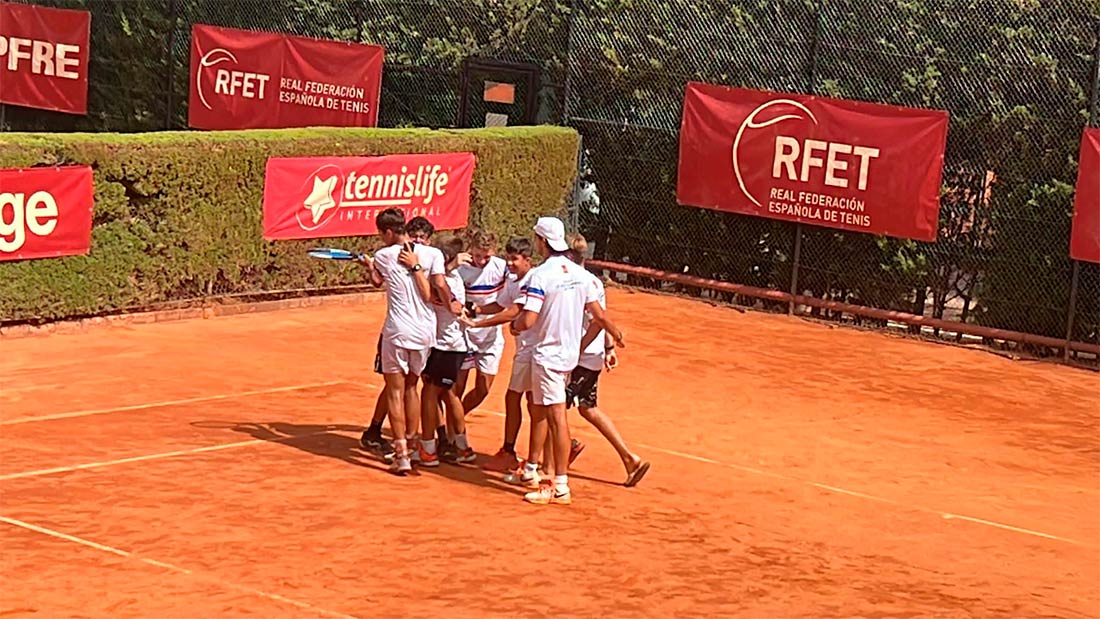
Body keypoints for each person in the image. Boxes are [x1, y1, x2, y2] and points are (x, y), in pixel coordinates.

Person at [510, 216, 625, 505]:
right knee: (552, 416)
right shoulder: (582, 275)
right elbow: (598, 315)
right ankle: (543, 474)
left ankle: (557, 484)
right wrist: (615, 334)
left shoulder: (540, 275)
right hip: (569, 357)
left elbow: (529, 318)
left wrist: (516, 326)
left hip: (548, 356)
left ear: (542, 242)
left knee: (556, 418)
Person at [364, 209, 452, 475]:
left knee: (394, 391)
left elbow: (383, 282)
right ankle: (413, 446)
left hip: (398, 332)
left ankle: (402, 454)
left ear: (389, 232)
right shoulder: (434, 254)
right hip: (425, 333)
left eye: (382, 234)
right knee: (412, 388)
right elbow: (438, 286)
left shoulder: (383, 255)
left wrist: (376, 267)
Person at [566, 233, 650, 487]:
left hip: (579, 359)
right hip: (591, 357)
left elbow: (597, 321)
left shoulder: (577, 282)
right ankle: (629, 459)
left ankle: (558, 455)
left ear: (569, 255)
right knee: (587, 408)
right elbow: (603, 319)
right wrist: (609, 347)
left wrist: (576, 351)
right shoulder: (594, 282)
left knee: (551, 407)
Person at [460, 236, 537, 473]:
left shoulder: (528, 278)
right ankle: (453, 430)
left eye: (515, 259)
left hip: (526, 347)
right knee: (520, 400)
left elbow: (513, 311)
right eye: (509, 258)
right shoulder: (512, 279)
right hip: (469, 337)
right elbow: (502, 306)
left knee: (530, 402)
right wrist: (475, 310)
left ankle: (545, 453)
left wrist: (480, 324)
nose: (510, 264)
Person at [419, 235, 478, 466]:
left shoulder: (448, 281)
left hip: (447, 346)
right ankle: (460, 446)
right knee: (449, 393)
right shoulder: (451, 277)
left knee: (430, 393)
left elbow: (434, 289)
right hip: (451, 346)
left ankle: (428, 448)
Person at [455, 229, 508, 418]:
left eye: (487, 256)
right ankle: (452, 432)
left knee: (483, 389)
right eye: (478, 255)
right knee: (457, 387)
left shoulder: (502, 267)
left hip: (491, 336)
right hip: (464, 335)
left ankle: (455, 421)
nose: (482, 261)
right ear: (471, 249)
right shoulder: (460, 269)